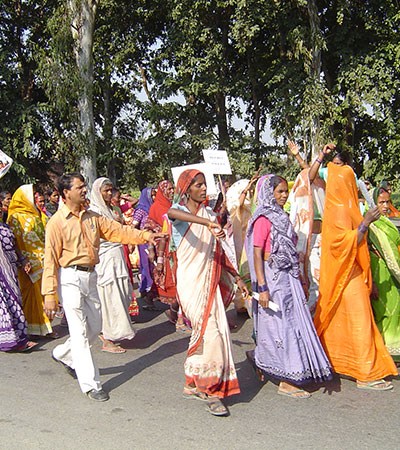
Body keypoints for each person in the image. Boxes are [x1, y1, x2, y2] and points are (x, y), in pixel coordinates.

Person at [41, 173, 165, 402]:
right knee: (79, 332)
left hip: (91, 277)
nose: (84, 190)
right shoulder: (56, 223)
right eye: (79, 187)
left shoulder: (93, 217)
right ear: (66, 193)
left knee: (95, 326)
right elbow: (49, 261)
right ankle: (91, 384)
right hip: (69, 279)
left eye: (84, 186)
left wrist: (146, 235)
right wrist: (49, 294)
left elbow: (119, 231)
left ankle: (62, 354)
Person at [168, 169, 248, 417]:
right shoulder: (181, 213)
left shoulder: (209, 214)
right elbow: (171, 213)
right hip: (190, 281)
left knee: (210, 331)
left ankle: (196, 381)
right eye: (199, 185)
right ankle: (212, 390)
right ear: (187, 188)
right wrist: (207, 223)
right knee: (210, 332)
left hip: (209, 279)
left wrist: (237, 277)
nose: (204, 189)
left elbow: (219, 253)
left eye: (205, 185)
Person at [245, 175, 332, 398]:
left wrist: (299, 278)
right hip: (272, 279)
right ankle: (286, 379)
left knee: (293, 323)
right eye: (279, 192)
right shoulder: (264, 219)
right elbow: (257, 253)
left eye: (285, 192)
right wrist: (262, 287)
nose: (284, 196)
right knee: (280, 326)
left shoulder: (282, 217)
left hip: (288, 277)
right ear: (268, 193)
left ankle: (263, 359)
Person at [314, 159, 398, 390]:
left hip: (351, 271)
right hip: (346, 273)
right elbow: (340, 244)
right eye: (352, 181)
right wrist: (365, 223)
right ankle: (365, 373)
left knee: (345, 320)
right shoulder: (340, 209)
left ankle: (335, 362)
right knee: (360, 320)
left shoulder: (343, 206)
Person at [90, 177, 136, 353]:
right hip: (105, 257)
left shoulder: (113, 210)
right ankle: (108, 338)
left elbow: (122, 229)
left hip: (118, 256)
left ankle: (115, 331)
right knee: (110, 296)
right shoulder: (94, 211)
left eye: (111, 190)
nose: (109, 194)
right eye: (105, 191)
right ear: (98, 192)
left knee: (123, 293)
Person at [7, 185, 54, 337]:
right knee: (29, 295)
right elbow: (15, 240)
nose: (35, 198)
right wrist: (22, 259)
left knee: (43, 294)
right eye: (31, 196)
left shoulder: (36, 214)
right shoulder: (14, 217)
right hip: (26, 263)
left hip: (42, 259)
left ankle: (45, 328)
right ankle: (29, 328)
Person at [145, 180, 189, 331]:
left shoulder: (177, 206)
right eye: (168, 189)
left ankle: (177, 314)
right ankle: (178, 318)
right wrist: (151, 250)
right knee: (175, 285)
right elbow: (149, 230)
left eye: (173, 188)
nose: (171, 191)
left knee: (183, 283)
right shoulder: (155, 208)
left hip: (180, 249)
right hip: (165, 251)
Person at [368, 186, 400, 361]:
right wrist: (371, 281)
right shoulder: (371, 224)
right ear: (374, 203)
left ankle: (394, 352)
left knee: (395, 310)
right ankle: (384, 354)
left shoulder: (387, 222)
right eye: (381, 202)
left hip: (391, 275)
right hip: (378, 272)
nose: (386, 205)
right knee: (385, 311)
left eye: (387, 202)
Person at [0, 221, 37, 352]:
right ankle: (15, 341)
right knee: (7, 305)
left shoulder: (5, 226)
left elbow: (14, 245)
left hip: (11, 269)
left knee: (15, 300)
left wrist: (22, 260)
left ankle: (16, 338)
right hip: (2, 273)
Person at [132, 187, 157, 310]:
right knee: (147, 266)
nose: (153, 198)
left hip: (153, 240)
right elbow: (134, 226)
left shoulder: (153, 208)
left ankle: (149, 293)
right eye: (152, 195)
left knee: (153, 267)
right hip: (144, 242)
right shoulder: (141, 210)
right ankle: (147, 293)